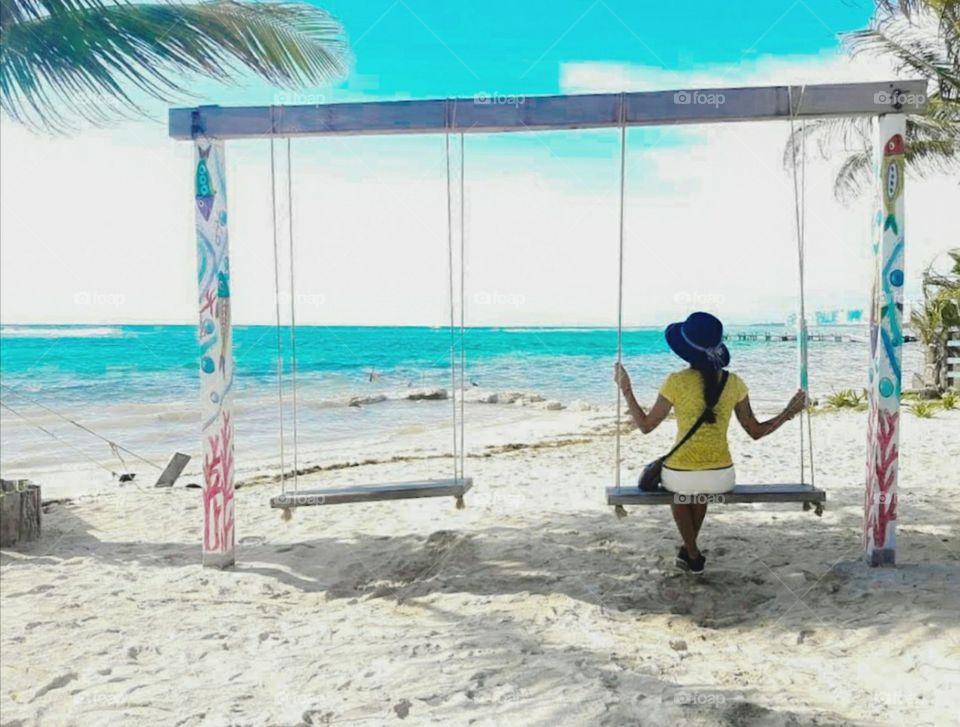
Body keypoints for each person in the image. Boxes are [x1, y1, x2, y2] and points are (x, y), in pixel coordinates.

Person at [614, 311, 806, 575]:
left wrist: (627, 390)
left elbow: (646, 426)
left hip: (681, 476)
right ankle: (687, 551)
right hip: (722, 476)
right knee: (697, 488)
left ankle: (693, 553)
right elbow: (755, 431)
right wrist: (788, 412)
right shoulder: (734, 382)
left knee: (682, 490)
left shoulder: (676, 382)